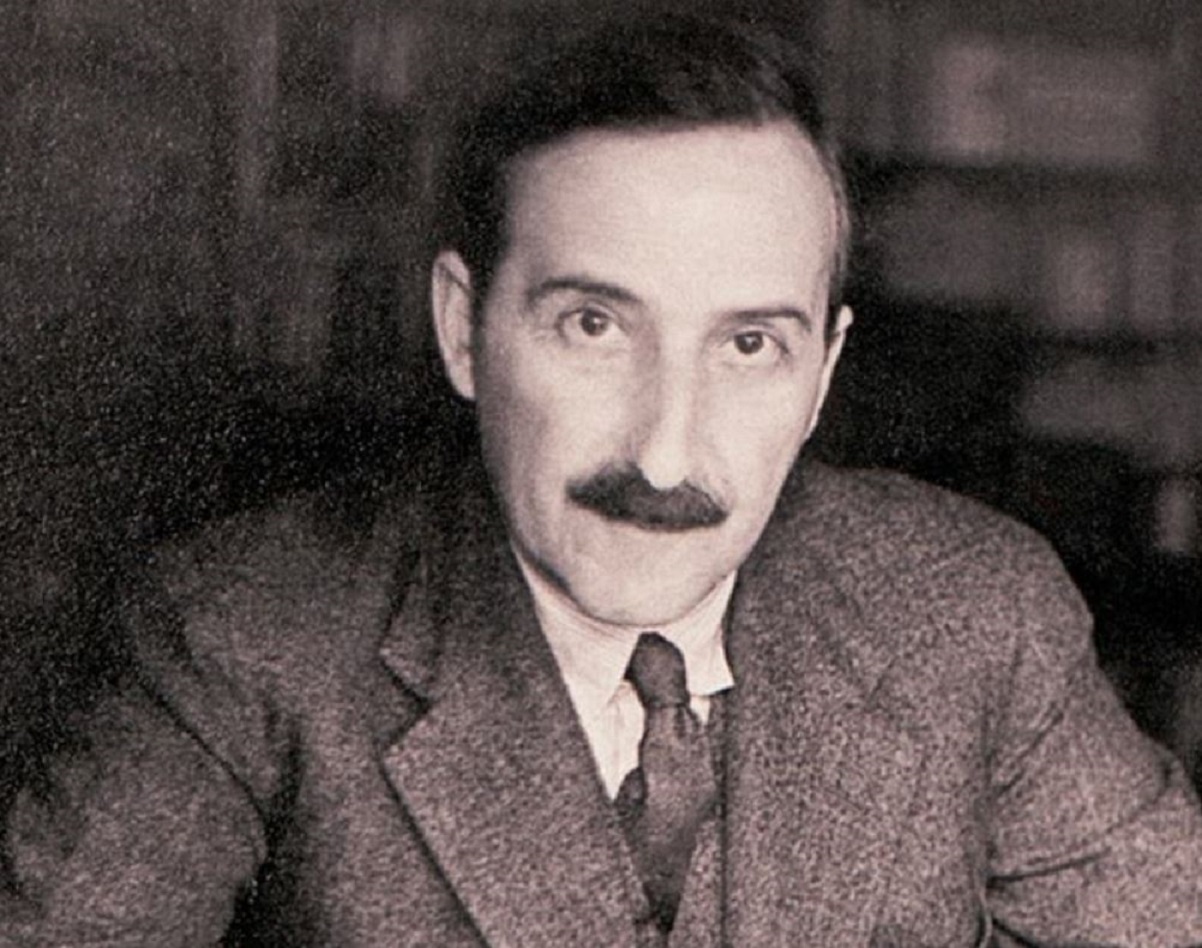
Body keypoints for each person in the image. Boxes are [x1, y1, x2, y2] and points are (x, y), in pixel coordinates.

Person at [3, 14, 1202, 948]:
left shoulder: (970, 611)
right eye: (592, 325)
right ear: (463, 329)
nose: (665, 457)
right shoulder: (241, 639)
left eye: (748, 345)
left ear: (823, 374)